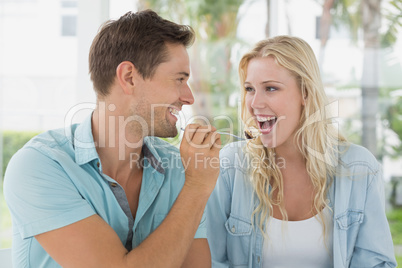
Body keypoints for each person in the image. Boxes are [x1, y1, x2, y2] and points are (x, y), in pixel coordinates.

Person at [4, 10, 221, 267]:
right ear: (129, 77)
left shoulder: (181, 168)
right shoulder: (39, 167)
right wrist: (196, 189)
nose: (188, 97)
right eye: (179, 79)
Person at [206, 35, 396, 268]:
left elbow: (376, 264)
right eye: (249, 89)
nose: (254, 103)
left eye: (271, 88)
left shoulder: (359, 169)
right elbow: (210, 261)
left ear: (305, 92)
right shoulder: (230, 166)